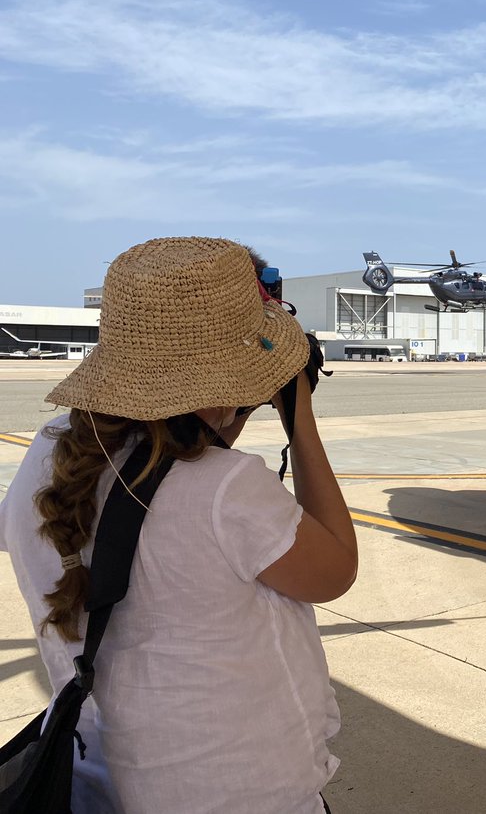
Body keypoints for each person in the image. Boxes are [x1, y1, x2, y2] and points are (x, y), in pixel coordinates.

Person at [0, 237, 357, 813]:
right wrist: (301, 422)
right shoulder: (225, 488)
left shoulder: (46, 458)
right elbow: (335, 571)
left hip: (95, 777)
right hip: (237, 790)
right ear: (222, 394)